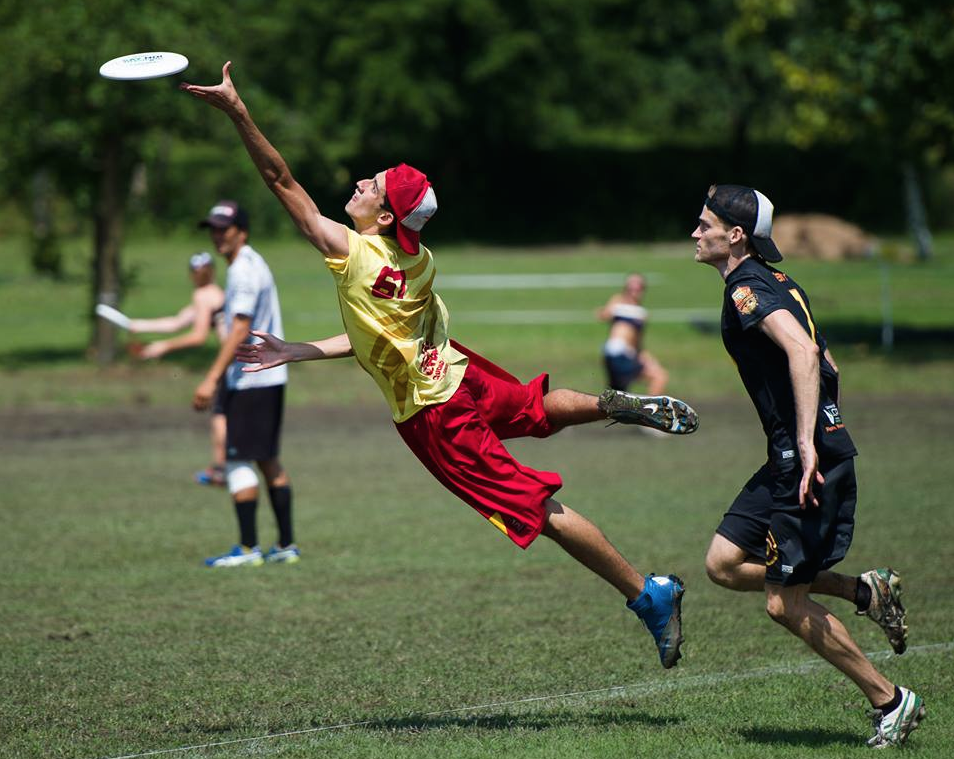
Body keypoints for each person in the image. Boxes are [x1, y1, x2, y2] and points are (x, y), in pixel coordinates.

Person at [181, 62, 699, 667]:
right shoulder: (419, 260)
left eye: (372, 186)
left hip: (435, 414)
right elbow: (377, 336)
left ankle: (648, 595)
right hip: (457, 370)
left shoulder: (354, 253)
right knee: (536, 407)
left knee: (536, 510)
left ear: (384, 218)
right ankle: (611, 404)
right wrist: (300, 350)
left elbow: (279, 179)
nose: (360, 183)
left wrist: (238, 112)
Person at [692, 184, 924, 747]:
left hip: (804, 462)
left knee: (784, 603)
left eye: (705, 225)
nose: (695, 233)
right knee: (723, 563)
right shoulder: (781, 282)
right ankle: (863, 591)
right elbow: (828, 361)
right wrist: (824, 426)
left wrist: (809, 440)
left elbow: (803, 352)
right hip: (792, 457)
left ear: (736, 235)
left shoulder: (747, 290)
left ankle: (891, 701)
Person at [192, 198, 299, 568]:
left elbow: (240, 328)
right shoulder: (251, 263)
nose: (218, 236)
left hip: (253, 380)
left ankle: (249, 549)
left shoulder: (243, 271)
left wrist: (211, 378)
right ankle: (285, 545)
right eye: (214, 229)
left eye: (225, 229)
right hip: (267, 377)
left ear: (242, 231)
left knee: (237, 459)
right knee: (268, 460)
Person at [127, 251, 228, 487]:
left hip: (231, 360)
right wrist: (140, 325)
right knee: (226, 412)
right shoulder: (216, 293)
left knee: (220, 414)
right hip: (240, 359)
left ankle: (221, 469)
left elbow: (198, 336)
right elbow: (177, 322)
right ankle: (226, 466)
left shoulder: (203, 296)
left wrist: (164, 347)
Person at [597, 273, 668, 395]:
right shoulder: (618, 302)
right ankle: (650, 406)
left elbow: (637, 342)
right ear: (626, 288)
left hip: (627, 354)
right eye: (631, 287)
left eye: (638, 288)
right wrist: (609, 310)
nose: (634, 291)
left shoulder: (641, 313)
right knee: (659, 376)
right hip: (616, 351)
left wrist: (646, 357)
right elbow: (603, 315)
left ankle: (642, 405)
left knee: (618, 394)